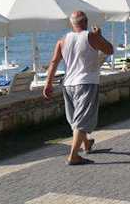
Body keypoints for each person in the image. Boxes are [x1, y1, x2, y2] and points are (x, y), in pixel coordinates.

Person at [43, 10, 114, 165]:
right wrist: (99, 36)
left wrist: (48, 83)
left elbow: (54, 62)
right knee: (82, 120)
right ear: (86, 22)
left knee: (76, 118)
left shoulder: (62, 40)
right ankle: (73, 156)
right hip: (86, 82)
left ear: (72, 23)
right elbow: (110, 50)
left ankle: (86, 143)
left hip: (68, 84)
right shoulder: (91, 37)